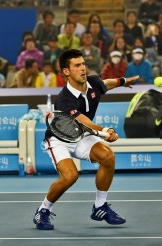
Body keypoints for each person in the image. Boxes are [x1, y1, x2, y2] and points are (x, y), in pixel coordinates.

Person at [33, 49, 139, 230]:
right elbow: (84, 121)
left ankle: (100, 207)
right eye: (77, 65)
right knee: (70, 176)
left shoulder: (93, 83)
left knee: (108, 157)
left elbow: (107, 83)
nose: (82, 68)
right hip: (59, 138)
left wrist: (123, 81)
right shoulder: (64, 100)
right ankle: (43, 211)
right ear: (66, 71)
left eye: (83, 64)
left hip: (81, 135)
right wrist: (105, 131)